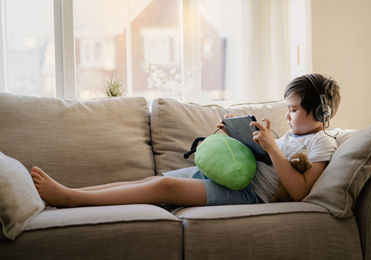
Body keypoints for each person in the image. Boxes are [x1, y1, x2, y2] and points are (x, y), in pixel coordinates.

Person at [31, 73, 341, 208]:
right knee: (153, 180)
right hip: (234, 177)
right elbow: (273, 161)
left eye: (293, 109)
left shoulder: (321, 143)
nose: (288, 116)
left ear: (321, 111)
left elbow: (299, 192)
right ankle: (71, 193)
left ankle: (71, 199)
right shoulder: (292, 135)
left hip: (249, 193)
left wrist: (272, 148)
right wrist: (252, 139)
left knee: (163, 188)